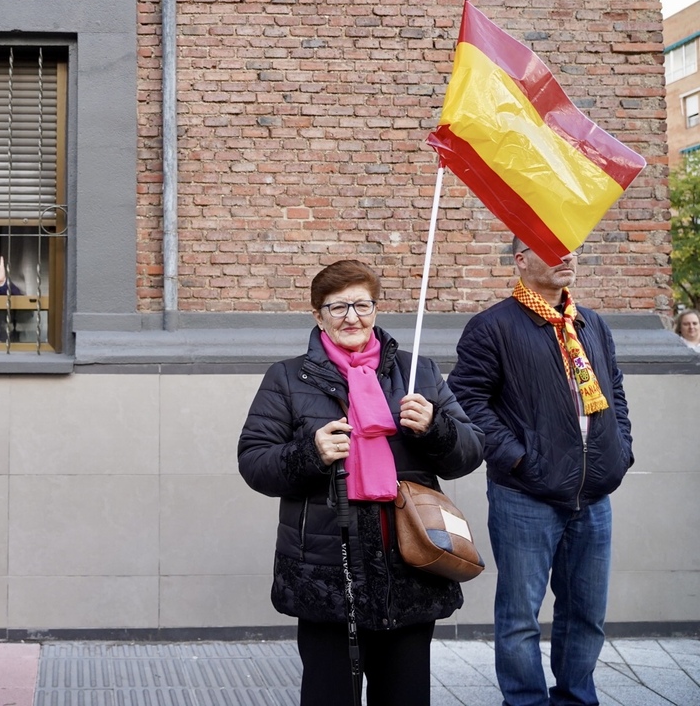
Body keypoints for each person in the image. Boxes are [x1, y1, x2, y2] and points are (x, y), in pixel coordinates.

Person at [238, 260, 484, 706]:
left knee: (405, 696)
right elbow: (255, 463)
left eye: (362, 305)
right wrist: (309, 453)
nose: (351, 317)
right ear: (318, 316)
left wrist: (434, 427)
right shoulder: (288, 379)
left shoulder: (418, 373)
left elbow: (469, 454)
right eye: (337, 307)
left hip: (408, 565)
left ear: (377, 308)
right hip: (328, 571)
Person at [448, 238, 634, 706]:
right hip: (525, 495)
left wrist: (621, 450)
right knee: (519, 617)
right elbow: (467, 402)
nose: (567, 257)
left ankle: (576, 699)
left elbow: (614, 392)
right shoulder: (492, 327)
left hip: (593, 495)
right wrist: (518, 458)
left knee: (586, 613)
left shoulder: (591, 324)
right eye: (552, 250)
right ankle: (526, 702)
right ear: (521, 260)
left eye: (571, 249)